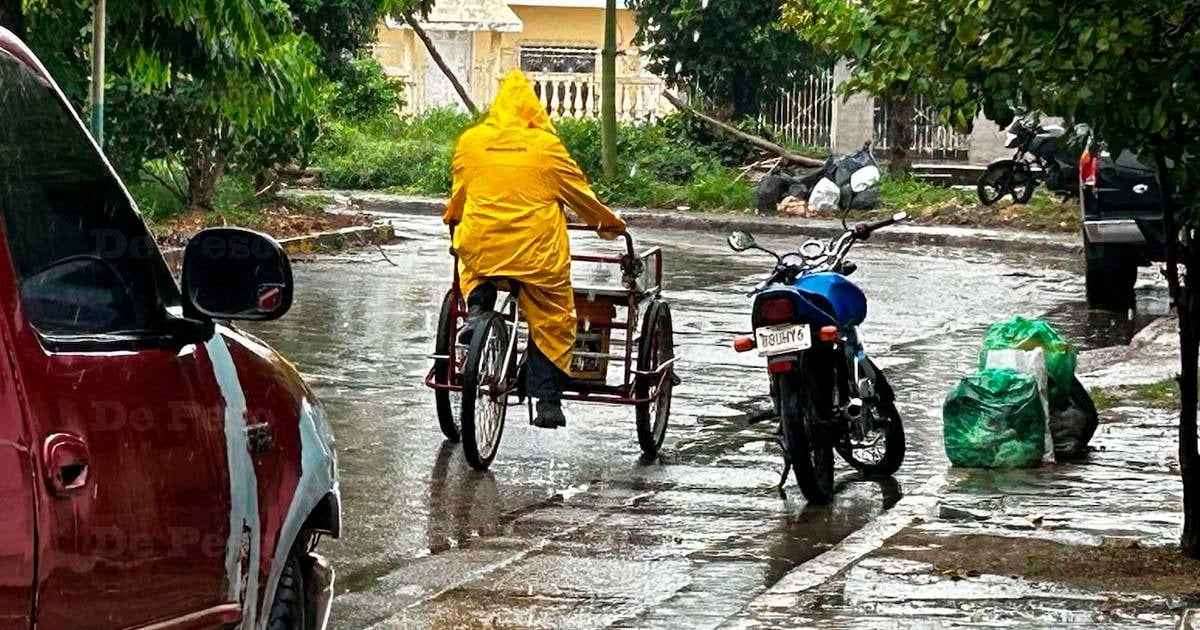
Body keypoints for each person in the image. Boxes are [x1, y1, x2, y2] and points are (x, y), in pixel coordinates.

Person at [444, 70, 626, 429]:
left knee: (471, 262)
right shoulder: (546, 148)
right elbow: (580, 196)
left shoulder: (471, 142)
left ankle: (478, 310)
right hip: (535, 258)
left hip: (485, 249)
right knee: (554, 316)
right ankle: (547, 401)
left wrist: (453, 217)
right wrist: (610, 224)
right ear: (533, 112)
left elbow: (460, 198)